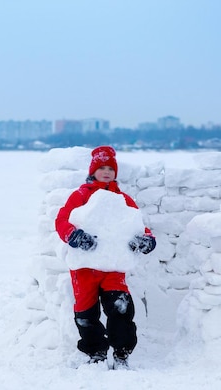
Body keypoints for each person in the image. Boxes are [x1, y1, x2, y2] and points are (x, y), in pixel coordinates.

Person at [55, 145, 156, 369]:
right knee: (85, 312)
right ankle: (96, 351)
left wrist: (146, 240)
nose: (107, 171)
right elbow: (62, 221)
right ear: (93, 171)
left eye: (111, 167)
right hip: (84, 268)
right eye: (102, 167)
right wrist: (76, 236)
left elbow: (138, 226)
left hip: (113, 268)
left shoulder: (123, 199)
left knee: (121, 309)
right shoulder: (81, 195)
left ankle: (121, 353)